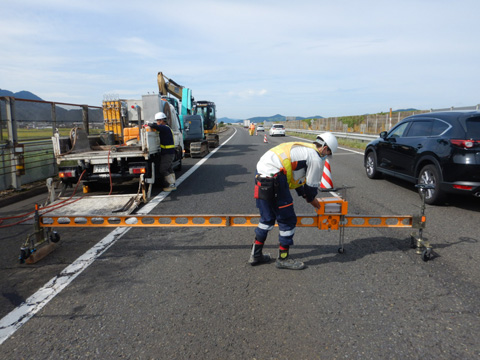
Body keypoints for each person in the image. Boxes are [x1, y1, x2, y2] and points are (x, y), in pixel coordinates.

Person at [249, 132, 339, 270]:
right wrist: (315, 204)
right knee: (288, 220)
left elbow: (295, 178)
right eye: (329, 152)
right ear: (325, 148)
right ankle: (283, 259)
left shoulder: (303, 148)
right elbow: (310, 189)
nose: (327, 155)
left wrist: (303, 194)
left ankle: (255, 254)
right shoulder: (315, 158)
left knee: (266, 218)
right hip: (275, 177)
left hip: (261, 172)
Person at [148, 112, 177, 191]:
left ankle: (171, 185)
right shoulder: (166, 128)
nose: (157, 122)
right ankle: (172, 184)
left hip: (168, 153)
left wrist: (148, 124)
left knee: (163, 169)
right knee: (169, 169)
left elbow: (154, 126)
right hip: (169, 152)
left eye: (157, 121)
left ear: (161, 121)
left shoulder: (164, 128)